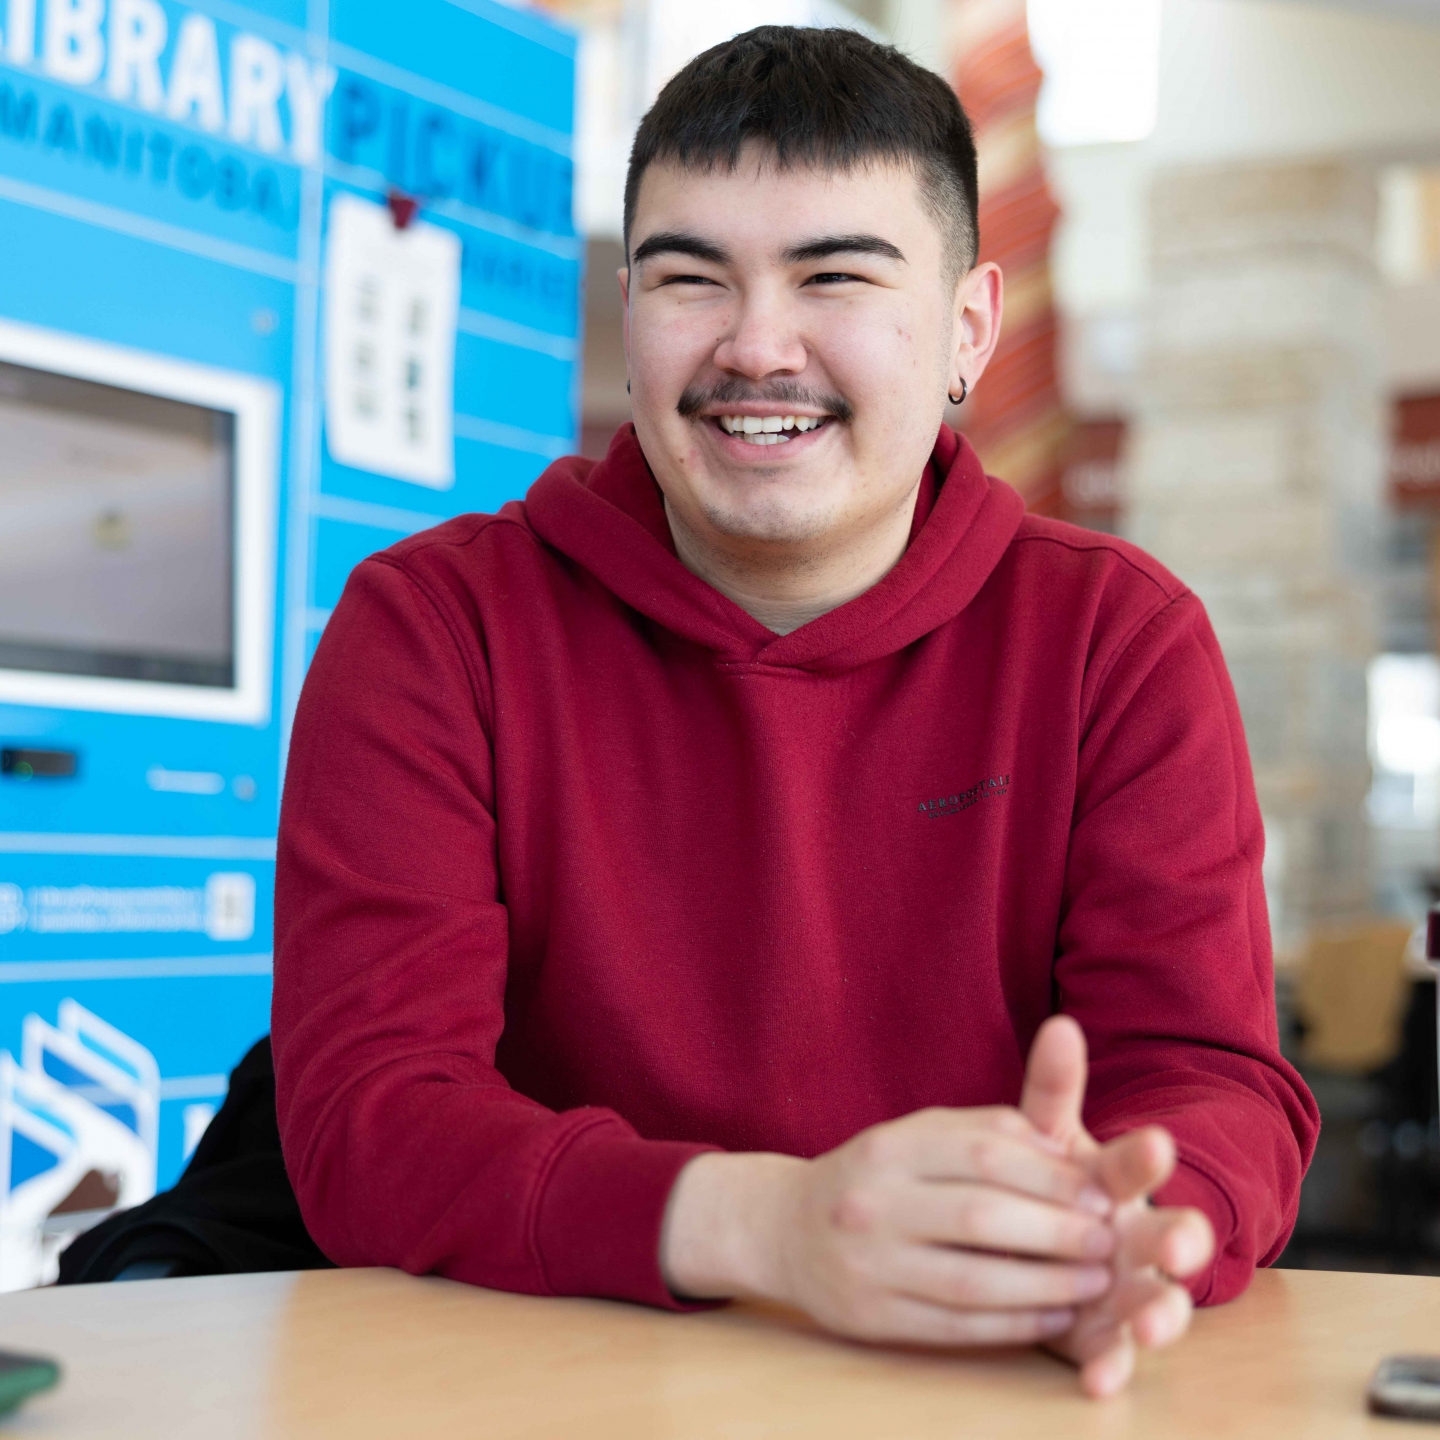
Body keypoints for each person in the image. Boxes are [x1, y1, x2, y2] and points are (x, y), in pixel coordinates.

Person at [272, 25, 1318, 1399]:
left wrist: (1122, 1231)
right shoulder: (434, 624)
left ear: (966, 330)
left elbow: (1210, 1082)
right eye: (690, 277)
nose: (757, 346)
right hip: (530, 1385)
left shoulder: (1116, 639)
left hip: (985, 1380)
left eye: (835, 276)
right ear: (628, 313)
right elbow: (371, 1118)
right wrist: (768, 1225)